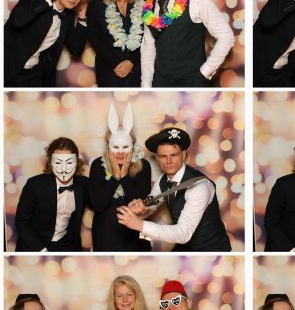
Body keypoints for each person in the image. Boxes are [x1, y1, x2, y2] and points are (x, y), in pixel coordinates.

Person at [116, 126, 231, 251]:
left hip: (211, 249)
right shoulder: (162, 179)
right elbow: (151, 205)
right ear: (157, 158)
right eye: (163, 156)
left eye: (174, 155)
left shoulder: (199, 186)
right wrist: (140, 210)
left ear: (183, 154)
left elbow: (183, 234)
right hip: (184, 245)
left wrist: (140, 225)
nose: (168, 161)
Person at [140, 0, 234, 87]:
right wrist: (146, 86)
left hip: (193, 83)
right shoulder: (147, 7)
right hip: (161, 84)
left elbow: (226, 36)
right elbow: (148, 48)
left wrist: (204, 73)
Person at [89, 102, 152, 252]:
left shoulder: (143, 166)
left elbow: (140, 204)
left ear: (133, 146)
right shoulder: (98, 165)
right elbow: (98, 205)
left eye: (125, 147)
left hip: (134, 232)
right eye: (116, 147)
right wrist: (116, 177)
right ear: (108, 146)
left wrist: (123, 176)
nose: (120, 152)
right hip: (105, 232)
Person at [14, 137, 89, 252]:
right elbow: (21, 223)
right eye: (58, 162)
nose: (64, 169)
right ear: (50, 162)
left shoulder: (83, 184)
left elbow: (100, 203)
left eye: (69, 162)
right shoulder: (34, 185)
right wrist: (41, 250)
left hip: (65, 245)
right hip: (35, 246)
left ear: (77, 162)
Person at [87, 0, 144, 87]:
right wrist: (115, 63)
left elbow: (152, 36)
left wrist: (131, 62)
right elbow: (93, 35)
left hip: (141, 69)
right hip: (109, 70)